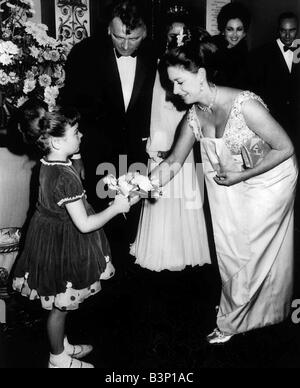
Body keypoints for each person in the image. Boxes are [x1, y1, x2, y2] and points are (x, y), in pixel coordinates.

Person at [148, 30, 298, 344]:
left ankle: (233, 319)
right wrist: (138, 186)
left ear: (201, 74)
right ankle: (251, 307)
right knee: (233, 248)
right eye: (171, 83)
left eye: (179, 82)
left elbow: (285, 148)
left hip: (271, 182)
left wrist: (241, 177)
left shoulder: (244, 104)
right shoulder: (193, 115)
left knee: (252, 249)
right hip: (232, 182)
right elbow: (174, 161)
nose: (174, 91)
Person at [12, 102, 132, 368]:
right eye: (75, 132)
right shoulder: (64, 178)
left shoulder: (48, 163)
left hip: (49, 236)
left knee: (61, 304)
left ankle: (62, 346)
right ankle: (57, 359)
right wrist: (116, 207)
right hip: (63, 244)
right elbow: (86, 224)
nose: (81, 136)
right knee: (59, 306)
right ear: (55, 141)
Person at [60, 0, 157, 279]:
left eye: (133, 37)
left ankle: (131, 279)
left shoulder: (156, 54)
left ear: (146, 32)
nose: (126, 45)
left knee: (136, 216)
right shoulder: (84, 53)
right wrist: (75, 156)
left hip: (140, 150)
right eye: (118, 36)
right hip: (97, 150)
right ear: (108, 29)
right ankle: (101, 277)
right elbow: (71, 106)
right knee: (102, 213)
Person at [130, 10, 211, 271]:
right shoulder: (157, 64)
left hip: (185, 136)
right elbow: (153, 105)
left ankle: (187, 248)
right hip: (161, 135)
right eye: (172, 34)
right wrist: (153, 139)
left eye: (182, 33)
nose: (177, 38)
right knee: (163, 188)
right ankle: (161, 249)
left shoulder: (196, 67)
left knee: (188, 189)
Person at [247, 12, 300, 150]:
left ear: (298, 29)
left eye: (292, 30)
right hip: (272, 123)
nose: (288, 36)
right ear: (278, 30)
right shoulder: (261, 53)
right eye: (283, 31)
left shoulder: (299, 49)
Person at [211, 2, 251, 88]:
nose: (234, 35)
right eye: (230, 29)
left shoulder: (245, 54)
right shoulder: (211, 46)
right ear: (223, 30)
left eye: (239, 29)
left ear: (244, 31)